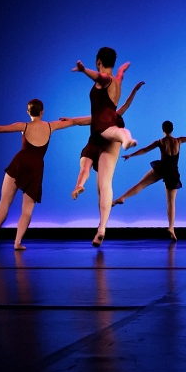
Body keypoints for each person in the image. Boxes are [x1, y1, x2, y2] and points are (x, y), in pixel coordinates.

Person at [0, 99, 79, 250]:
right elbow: (76, 122)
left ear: (28, 112)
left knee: (4, 202)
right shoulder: (51, 126)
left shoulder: (24, 126)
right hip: (36, 167)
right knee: (27, 210)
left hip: (20, 163)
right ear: (42, 111)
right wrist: (76, 119)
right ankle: (17, 242)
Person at [72, 47, 139, 247]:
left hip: (103, 126)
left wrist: (84, 70)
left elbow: (99, 78)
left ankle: (127, 139)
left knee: (99, 178)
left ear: (98, 61)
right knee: (105, 184)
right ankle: (101, 228)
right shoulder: (117, 80)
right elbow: (120, 75)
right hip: (104, 127)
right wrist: (123, 69)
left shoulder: (106, 79)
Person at [112, 121, 186, 241]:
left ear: (163, 130)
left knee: (141, 184)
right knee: (171, 202)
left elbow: (145, 150)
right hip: (172, 172)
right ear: (172, 129)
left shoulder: (160, 142)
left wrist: (130, 155)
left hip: (161, 168)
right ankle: (171, 228)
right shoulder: (178, 140)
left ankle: (122, 198)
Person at [70, 81, 145, 200]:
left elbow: (78, 121)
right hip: (100, 146)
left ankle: (79, 185)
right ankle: (80, 186)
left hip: (96, 145)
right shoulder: (108, 116)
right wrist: (69, 121)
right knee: (94, 174)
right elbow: (79, 121)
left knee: (86, 169)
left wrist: (134, 91)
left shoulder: (107, 116)